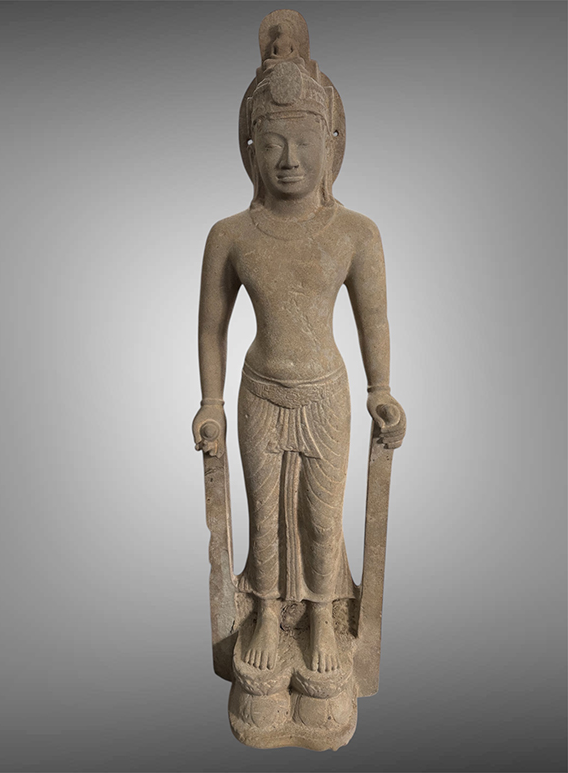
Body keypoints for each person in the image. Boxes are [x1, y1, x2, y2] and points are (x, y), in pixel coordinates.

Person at [193, 55, 406, 674]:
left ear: (329, 147)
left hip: (324, 393)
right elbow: (211, 327)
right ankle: (263, 614)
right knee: (264, 518)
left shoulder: (355, 233)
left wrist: (381, 388)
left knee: (321, 518)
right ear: (252, 150)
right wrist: (211, 403)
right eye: (273, 144)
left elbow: (374, 320)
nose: (289, 159)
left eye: (305, 143)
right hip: (260, 391)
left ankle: (319, 619)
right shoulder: (231, 234)